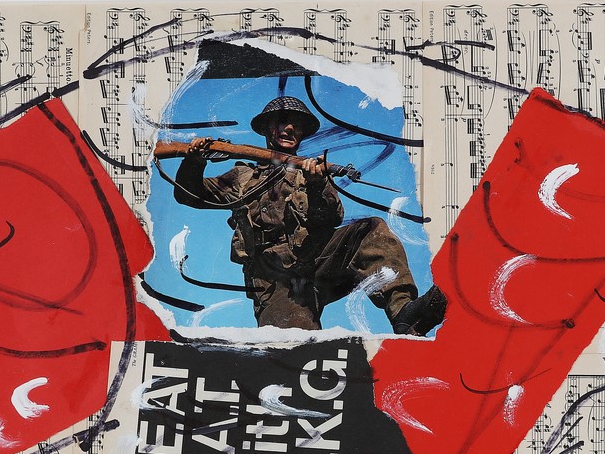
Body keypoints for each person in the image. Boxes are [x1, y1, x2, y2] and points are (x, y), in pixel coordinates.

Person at [173, 95, 446, 335]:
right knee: (298, 347)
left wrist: (317, 186)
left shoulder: (311, 172)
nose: (290, 128)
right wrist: (194, 161)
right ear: (267, 128)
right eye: (282, 121)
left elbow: (332, 218)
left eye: (297, 125)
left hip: (317, 261)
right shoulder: (242, 177)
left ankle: (404, 314)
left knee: (371, 230)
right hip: (276, 280)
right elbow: (188, 194)